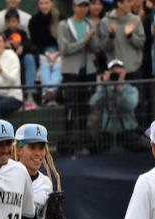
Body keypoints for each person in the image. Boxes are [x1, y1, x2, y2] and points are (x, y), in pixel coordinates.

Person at [58, 0, 101, 153]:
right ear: (73, 7)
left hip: (88, 72)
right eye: (79, 5)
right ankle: (69, 143)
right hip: (71, 72)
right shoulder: (64, 25)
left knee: (85, 108)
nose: (82, 8)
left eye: (85, 5)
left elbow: (96, 47)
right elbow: (65, 48)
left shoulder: (90, 24)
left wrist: (92, 38)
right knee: (71, 107)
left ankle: (84, 142)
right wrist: (86, 39)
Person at [89, 59, 140, 151]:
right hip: (108, 132)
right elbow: (93, 103)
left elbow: (129, 106)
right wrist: (104, 85)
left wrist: (120, 90)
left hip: (127, 131)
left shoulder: (131, 89)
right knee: (93, 148)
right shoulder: (105, 89)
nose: (116, 75)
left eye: (118, 72)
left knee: (140, 148)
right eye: (113, 73)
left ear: (124, 73)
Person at [100, 0, 147, 80]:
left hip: (134, 69)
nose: (131, 4)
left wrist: (130, 36)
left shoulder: (135, 20)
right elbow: (105, 47)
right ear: (119, 3)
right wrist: (111, 35)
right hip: (115, 70)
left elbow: (141, 43)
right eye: (128, 2)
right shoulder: (105, 22)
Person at [3, 8, 39, 106]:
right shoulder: (4, 34)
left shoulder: (23, 33)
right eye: (9, 22)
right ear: (6, 23)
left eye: (14, 21)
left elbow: (32, 47)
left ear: (18, 22)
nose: (12, 24)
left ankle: (30, 94)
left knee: (29, 58)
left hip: (22, 60)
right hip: (9, 62)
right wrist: (6, 47)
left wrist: (22, 46)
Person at [0, 33, 24, 120]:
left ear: (4, 43)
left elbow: (13, 80)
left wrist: (2, 72)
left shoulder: (13, 57)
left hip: (14, 97)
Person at [29, 0, 62, 105]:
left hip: (60, 52)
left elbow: (64, 41)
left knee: (57, 66)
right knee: (44, 67)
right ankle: (49, 95)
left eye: (46, 3)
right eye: (41, 3)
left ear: (52, 3)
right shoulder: (33, 21)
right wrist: (46, 53)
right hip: (42, 53)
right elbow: (34, 43)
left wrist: (57, 53)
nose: (44, 6)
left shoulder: (61, 18)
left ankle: (50, 93)